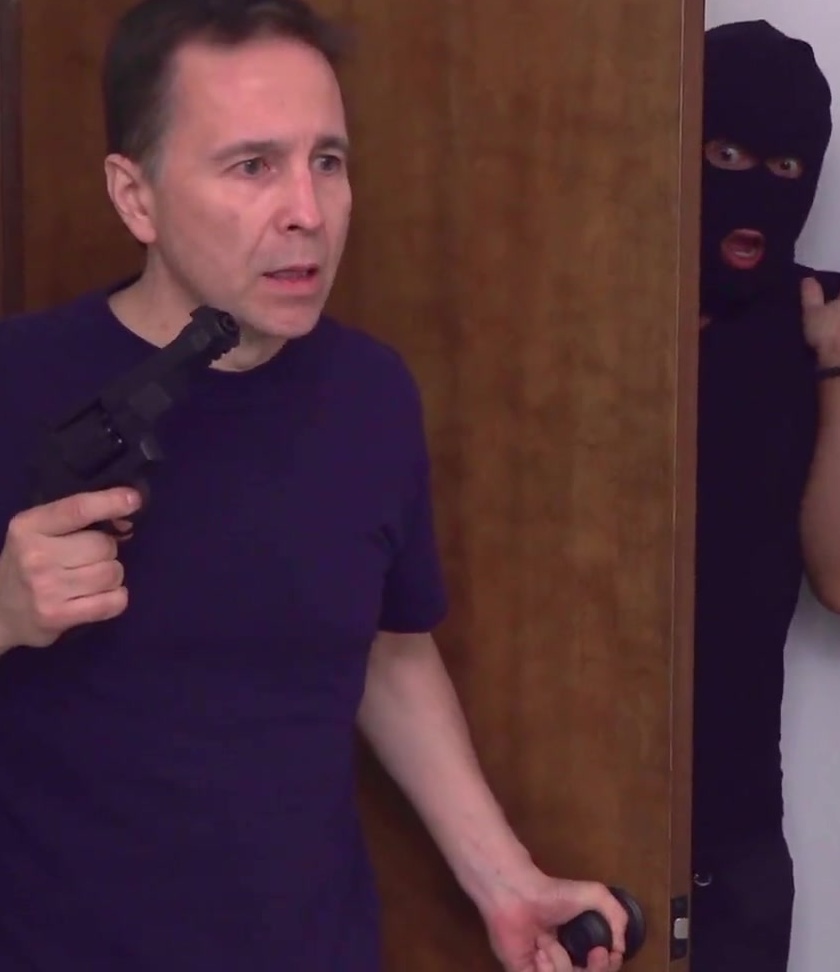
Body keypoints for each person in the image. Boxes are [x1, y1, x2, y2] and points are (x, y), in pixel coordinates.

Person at [0, 2, 627, 970]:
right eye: (252, 166)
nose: (307, 211)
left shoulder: (370, 394)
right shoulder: (17, 380)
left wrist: (507, 881)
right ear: (136, 196)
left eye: (326, 161)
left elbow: (388, 649)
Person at [690, 20, 840, 972]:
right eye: (726, 156)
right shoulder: (591, 309)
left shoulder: (820, 319)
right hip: (552, 805)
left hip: (731, 840)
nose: (755, 188)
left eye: (784, 167)